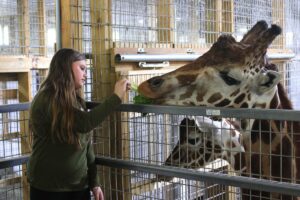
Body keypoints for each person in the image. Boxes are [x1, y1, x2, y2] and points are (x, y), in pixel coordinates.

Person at [27, 48, 130, 200]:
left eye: (86, 70)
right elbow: (85, 123)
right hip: (48, 188)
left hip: (78, 187)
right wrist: (115, 97)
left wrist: (94, 182)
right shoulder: (47, 99)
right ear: (66, 68)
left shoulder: (75, 100)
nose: (86, 75)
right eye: (82, 69)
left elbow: (85, 143)